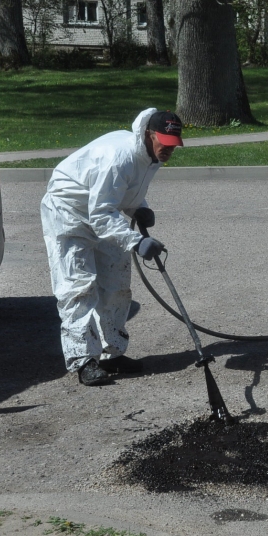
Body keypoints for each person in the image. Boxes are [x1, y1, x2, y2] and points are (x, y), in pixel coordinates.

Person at [40, 108, 182, 386]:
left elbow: (123, 191)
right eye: (163, 142)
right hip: (68, 213)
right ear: (148, 134)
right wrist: (137, 241)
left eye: (172, 145)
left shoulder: (151, 156)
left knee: (116, 284)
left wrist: (139, 208)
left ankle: (111, 353)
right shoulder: (119, 158)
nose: (168, 150)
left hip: (104, 212)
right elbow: (100, 212)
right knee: (78, 286)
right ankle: (83, 361)